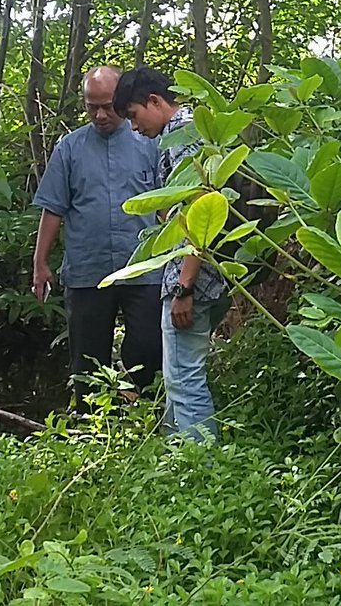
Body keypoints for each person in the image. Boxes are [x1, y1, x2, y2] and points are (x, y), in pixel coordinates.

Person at [32, 66, 163, 409]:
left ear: (121, 100)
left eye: (108, 105)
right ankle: (91, 425)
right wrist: (40, 263)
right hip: (88, 270)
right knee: (87, 360)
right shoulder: (70, 148)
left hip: (144, 269)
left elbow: (169, 205)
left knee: (149, 347)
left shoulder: (148, 141)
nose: (101, 115)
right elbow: (53, 208)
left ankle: (144, 414)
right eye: (92, 107)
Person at [113, 67, 229, 442]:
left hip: (194, 277)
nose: (133, 127)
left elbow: (200, 207)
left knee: (184, 377)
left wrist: (185, 286)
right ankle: (177, 456)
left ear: (154, 101)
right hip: (205, 274)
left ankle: (201, 466)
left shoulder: (182, 132)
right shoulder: (194, 128)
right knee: (177, 374)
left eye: (133, 115)